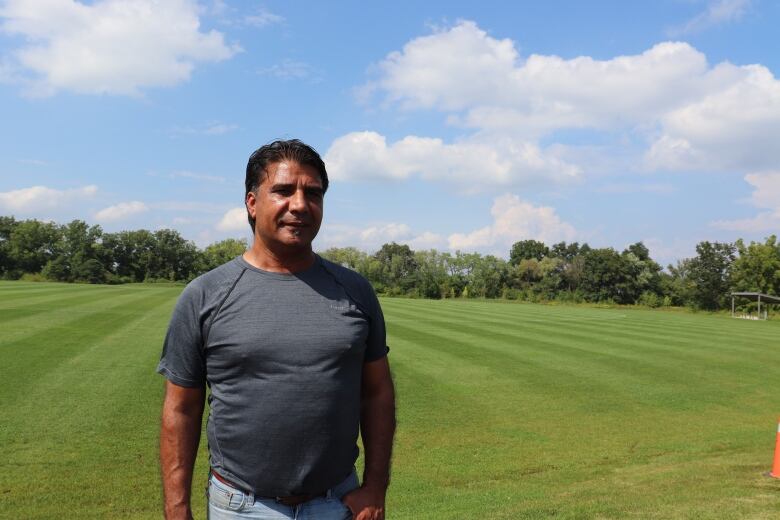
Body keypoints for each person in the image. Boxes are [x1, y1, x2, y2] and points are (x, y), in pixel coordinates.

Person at [157, 139, 396, 520]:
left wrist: (375, 487)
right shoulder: (205, 295)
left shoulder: (355, 291)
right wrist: (177, 508)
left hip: (338, 503)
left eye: (313, 193)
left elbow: (378, 393)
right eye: (283, 191)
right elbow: (181, 408)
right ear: (252, 203)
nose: (300, 205)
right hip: (241, 506)